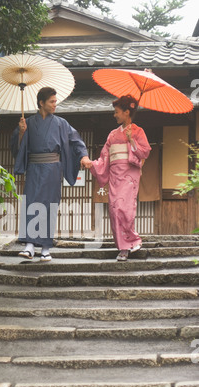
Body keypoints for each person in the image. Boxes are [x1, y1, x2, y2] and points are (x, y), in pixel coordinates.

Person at [11, 87, 89, 262]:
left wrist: (83, 156)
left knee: (49, 206)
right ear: (41, 103)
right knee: (31, 203)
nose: (55, 104)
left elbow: (76, 140)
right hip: (33, 167)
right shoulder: (28, 123)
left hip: (53, 168)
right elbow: (18, 148)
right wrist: (22, 132)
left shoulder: (61, 123)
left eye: (55, 101)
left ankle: (45, 247)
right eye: (52, 101)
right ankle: (30, 245)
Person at [82, 95, 152, 262]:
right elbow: (105, 159)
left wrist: (131, 140)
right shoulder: (112, 135)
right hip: (115, 176)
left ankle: (133, 240)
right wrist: (92, 164)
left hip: (129, 176)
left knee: (124, 208)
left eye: (117, 112)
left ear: (127, 112)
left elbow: (144, 153)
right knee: (114, 211)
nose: (114, 115)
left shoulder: (138, 131)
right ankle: (123, 248)